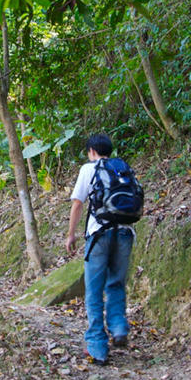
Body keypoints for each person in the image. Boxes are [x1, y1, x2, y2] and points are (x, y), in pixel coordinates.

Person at [65, 134, 134, 365]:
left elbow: (78, 203)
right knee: (116, 283)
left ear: (92, 151)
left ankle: (97, 347)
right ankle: (119, 327)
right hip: (125, 233)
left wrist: (71, 234)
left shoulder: (88, 169)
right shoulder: (122, 168)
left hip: (99, 234)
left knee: (94, 290)